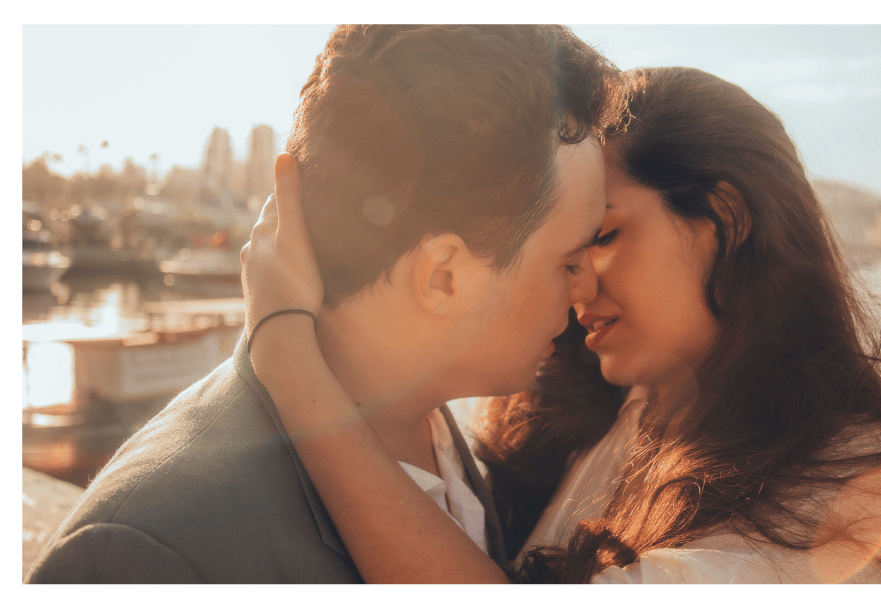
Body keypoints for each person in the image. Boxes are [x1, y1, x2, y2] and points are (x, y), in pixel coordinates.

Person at [243, 66, 881, 585]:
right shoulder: (629, 409)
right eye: (568, 244)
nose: (576, 275)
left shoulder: (841, 486)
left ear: (725, 218)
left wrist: (284, 346)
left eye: (606, 234)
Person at [25, 24, 626, 584]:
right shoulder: (148, 550)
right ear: (443, 276)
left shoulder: (431, 427)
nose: (585, 292)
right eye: (569, 263)